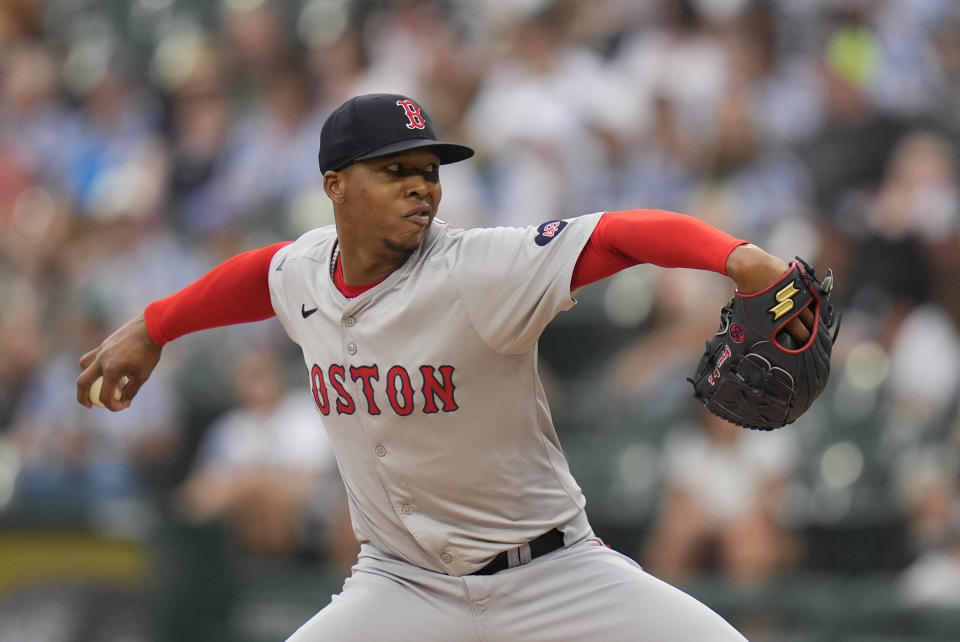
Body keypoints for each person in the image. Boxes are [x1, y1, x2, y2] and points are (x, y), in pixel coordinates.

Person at [77, 93, 811, 641]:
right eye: (396, 171)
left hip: (553, 575)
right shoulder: (306, 270)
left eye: (430, 171)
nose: (422, 187)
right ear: (335, 185)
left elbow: (620, 236)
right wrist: (154, 326)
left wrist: (739, 257)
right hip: (401, 584)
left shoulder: (478, 267)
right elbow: (255, 273)